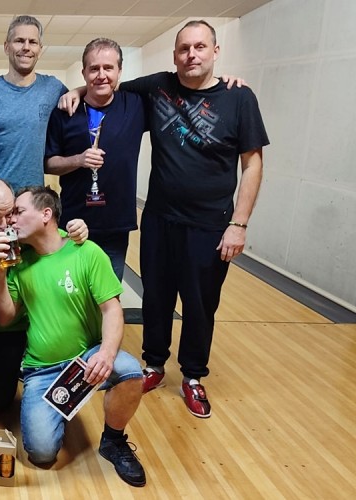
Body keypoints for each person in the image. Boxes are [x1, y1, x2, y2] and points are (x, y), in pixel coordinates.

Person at [121, 21, 268, 418]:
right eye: (184, 48)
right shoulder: (158, 86)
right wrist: (80, 91)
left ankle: (192, 376)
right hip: (159, 218)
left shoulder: (239, 98)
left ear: (215, 51)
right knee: (156, 296)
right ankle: (153, 365)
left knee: (200, 304)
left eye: (200, 47)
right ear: (174, 55)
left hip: (211, 224)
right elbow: (108, 87)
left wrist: (239, 224)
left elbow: (253, 164)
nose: (191, 55)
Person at [0, 186, 145, 487]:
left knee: (129, 371)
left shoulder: (85, 251)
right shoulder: (19, 263)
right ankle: (61, 406)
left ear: (46, 214)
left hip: (86, 358)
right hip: (41, 370)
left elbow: (112, 310)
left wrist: (106, 354)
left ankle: (113, 441)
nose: (11, 220)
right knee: (41, 453)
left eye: (18, 212)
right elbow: (4, 317)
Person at [0, 179, 88, 412]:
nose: (5, 224)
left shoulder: (20, 229)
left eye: (10, 213)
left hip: (14, 328)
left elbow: (57, 238)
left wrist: (78, 230)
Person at [44, 38, 146, 282]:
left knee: (108, 295)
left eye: (108, 68)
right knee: (70, 292)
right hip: (72, 222)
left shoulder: (135, 105)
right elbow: (48, 163)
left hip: (116, 225)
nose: (101, 75)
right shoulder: (64, 112)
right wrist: (78, 160)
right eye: (94, 69)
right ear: (84, 72)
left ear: (119, 71)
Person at [0, 15, 68, 191]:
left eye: (33, 42)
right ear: (6, 47)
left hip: (31, 197)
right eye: (19, 41)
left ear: (40, 49)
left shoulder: (53, 88)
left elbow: (89, 94)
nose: (26, 47)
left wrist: (78, 91)